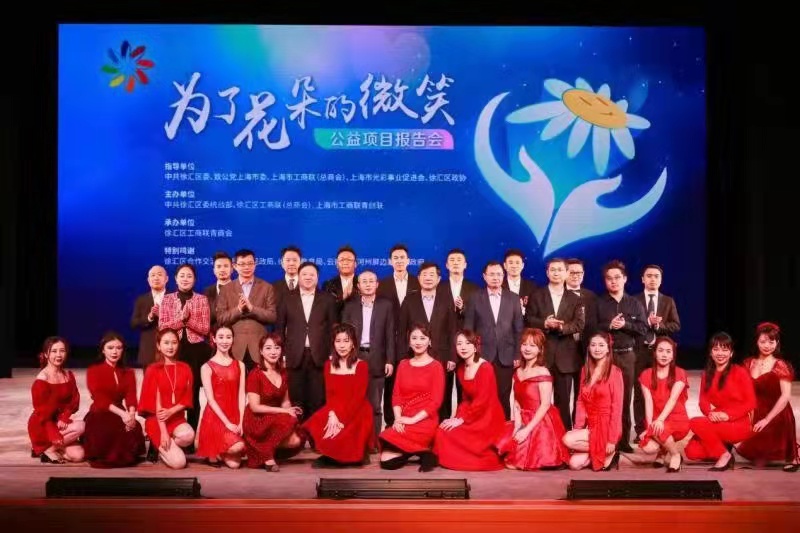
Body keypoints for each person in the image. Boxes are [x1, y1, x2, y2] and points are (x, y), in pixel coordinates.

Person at [496, 328, 570, 470]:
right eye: (524, 344)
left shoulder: (543, 371)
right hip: (522, 417)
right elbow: (516, 401)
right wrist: (518, 425)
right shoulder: (518, 371)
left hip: (540, 419)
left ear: (540, 349)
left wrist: (527, 429)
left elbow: (545, 405)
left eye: (532, 345)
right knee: (506, 457)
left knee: (522, 460)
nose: (527, 349)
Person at [302, 323, 375, 467]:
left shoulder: (361, 365)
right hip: (335, 408)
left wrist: (341, 420)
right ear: (333, 344)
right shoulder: (328, 365)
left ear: (353, 344)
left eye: (346, 341)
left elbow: (358, 398)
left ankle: (351, 456)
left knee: (343, 436)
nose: (342, 345)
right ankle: (334, 455)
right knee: (317, 423)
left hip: (357, 410)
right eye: (338, 341)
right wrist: (332, 415)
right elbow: (329, 394)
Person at [434, 329, 506, 471]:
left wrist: (462, 420)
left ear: (475, 346)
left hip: (487, 416)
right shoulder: (461, 368)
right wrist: (457, 418)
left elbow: (482, 401)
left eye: (468, 343)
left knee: (453, 435)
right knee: (443, 431)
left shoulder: (485, 368)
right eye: (459, 344)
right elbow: (465, 400)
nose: (463, 347)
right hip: (472, 413)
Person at [684, 332, 756, 470]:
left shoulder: (740, 372)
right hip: (717, 419)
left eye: (724, 349)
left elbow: (751, 402)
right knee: (692, 452)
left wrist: (728, 415)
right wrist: (710, 413)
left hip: (738, 422)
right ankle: (724, 447)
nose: (720, 353)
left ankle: (724, 455)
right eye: (716, 349)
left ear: (731, 353)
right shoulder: (707, 374)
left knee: (695, 422)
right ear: (711, 353)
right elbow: (703, 401)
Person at [379, 325, 445, 472]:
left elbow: (436, 402)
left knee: (390, 458)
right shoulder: (403, 365)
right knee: (386, 461)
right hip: (404, 418)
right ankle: (424, 452)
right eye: (414, 338)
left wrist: (412, 420)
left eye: (422, 338)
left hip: (424, 420)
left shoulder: (436, 366)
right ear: (409, 342)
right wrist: (398, 419)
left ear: (430, 341)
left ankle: (421, 449)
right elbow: (396, 395)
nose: (418, 342)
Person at [737, 322, 800, 471]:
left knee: (769, 447)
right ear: (756, 342)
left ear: (777, 343)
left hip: (777, 413)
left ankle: (794, 453)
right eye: (763, 341)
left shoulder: (780, 365)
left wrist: (766, 419)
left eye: (771, 342)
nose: (767, 346)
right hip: (755, 411)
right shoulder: (748, 363)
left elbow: (785, 397)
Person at [158, 263, 211, 433]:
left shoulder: (201, 299)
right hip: (173, 350)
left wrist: (189, 320)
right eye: (182, 275)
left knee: (193, 393)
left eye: (189, 276)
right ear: (175, 279)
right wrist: (181, 320)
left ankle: (191, 434)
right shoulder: (167, 299)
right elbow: (162, 327)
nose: (185, 279)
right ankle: (172, 430)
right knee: (172, 391)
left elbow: (205, 329)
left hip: (196, 351)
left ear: (194, 279)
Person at [242, 333, 305, 471]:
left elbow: (285, 402)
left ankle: (263, 450)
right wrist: (284, 411)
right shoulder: (255, 374)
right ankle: (265, 455)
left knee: (296, 439)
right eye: (268, 348)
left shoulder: (283, 373)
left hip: (274, 416)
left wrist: (291, 412)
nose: (273, 352)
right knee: (284, 422)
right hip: (257, 418)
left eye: (277, 348)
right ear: (261, 351)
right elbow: (255, 407)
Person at [562, 332, 624, 471]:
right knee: (574, 464)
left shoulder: (615, 372)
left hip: (607, 425)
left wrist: (612, 439)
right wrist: (578, 427)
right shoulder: (585, 370)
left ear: (608, 349)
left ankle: (610, 450)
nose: (597, 349)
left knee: (567, 439)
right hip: (591, 425)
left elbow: (617, 408)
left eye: (601, 345)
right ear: (589, 348)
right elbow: (580, 401)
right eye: (593, 345)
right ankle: (601, 453)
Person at [83, 332, 146, 468]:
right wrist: (123, 414)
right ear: (103, 350)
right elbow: (99, 398)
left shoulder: (128, 372)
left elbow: (131, 396)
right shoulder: (93, 370)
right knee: (109, 430)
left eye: (118, 348)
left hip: (121, 412)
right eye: (110, 348)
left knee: (133, 428)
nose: (115, 351)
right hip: (99, 412)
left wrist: (131, 415)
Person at [139, 328, 195, 469]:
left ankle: (165, 447)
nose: (170, 347)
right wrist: (163, 433)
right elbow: (157, 407)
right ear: (159, 346)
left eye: (174, 342)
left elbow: (187, 398)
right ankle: (161, 444)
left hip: (176, 418)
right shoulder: (153, 369)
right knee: (179, 463)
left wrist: (171, 411)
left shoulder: (185, 368)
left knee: (189, 435)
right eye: (166, 343)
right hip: (157, 421)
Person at [637, 337, 690, 473]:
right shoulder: (646, 374)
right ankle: (662, 451)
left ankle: (675, 455)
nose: (664, 355)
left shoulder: (679, 373)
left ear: (672, 356)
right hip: (657, 419)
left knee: (659, 429)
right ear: (654, 353)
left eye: (668, 351)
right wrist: (649, 427)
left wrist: (660, 421)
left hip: (677, 418)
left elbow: (672, 400)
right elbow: (648, 402)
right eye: (660, 351)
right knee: (648, 447)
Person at [28, 337, 85, 464]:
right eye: (54, 351)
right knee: (81, 426)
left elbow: (74, 401)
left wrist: (65, 417)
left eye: (62, 351)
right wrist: (53, 432)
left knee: (79, 456)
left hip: (60, 422)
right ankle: (47, 449)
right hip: (43, 424)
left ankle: (46, 449)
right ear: (46, 354)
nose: (58, 355)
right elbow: (42, 413)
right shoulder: (42, 380)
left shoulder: (67, 375)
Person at [196, 326, 246, 468]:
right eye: (221, 337)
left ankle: (219, 450)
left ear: (233, 339)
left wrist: (241, 421)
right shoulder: (206, 367)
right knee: (237, 447)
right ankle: (212, 446)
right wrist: (227, 423)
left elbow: (242, 394)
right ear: (214, 339)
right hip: (216, 417)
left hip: (234, 414)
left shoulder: (240, 365)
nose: (225, 341)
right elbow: (211, 400)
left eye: (228, 337)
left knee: (235, 464)